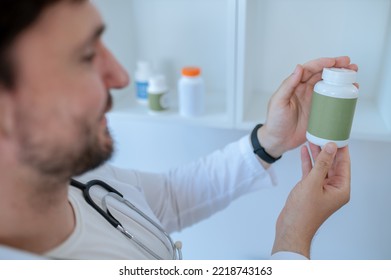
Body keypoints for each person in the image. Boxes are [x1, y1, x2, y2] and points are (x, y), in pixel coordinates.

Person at [0, 0, 355, 260]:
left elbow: (169, 198)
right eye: (86, 56)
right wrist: (292, 239)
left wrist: (269, 142)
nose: (121, 77)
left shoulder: (74, 173)